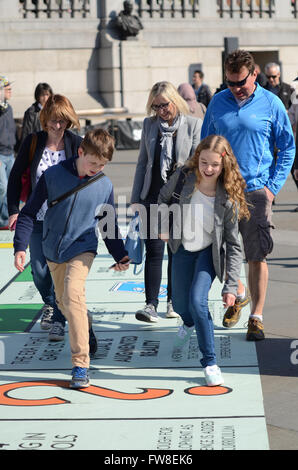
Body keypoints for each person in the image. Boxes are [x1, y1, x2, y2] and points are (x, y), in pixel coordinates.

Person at [13, 128, 130, 389]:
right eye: (93, 163)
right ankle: (84, 324)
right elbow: (29, 213)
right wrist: (20, 246)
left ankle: (80, 364)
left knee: (73, 293)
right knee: (64, 303)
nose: (97, 168)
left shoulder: (104, 184)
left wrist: (120, 253)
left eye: (103, 165)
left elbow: (107, 223)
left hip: (83, 247)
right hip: (52, 249)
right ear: (80, 152)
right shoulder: (52, 176)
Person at [201, 49, 295, 341]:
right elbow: (204, 146)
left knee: (257, 255)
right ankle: (238, 291)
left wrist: (272, 188)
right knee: (219, 252)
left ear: (254, 74)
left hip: (256, 191)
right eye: (230, 83)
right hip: (222, 190)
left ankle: (256, 316)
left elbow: (288, 147)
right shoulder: (218, 102)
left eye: (241, 82)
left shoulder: (272, 103)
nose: (236, 89)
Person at [158, 135, 250, 386]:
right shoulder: (184, 177)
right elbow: (162, 199)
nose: (208, 169)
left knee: (198, 302)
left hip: (207, 255)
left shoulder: (228, 197)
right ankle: (187, 322)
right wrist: (163, 225)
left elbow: (233, 245)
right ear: (197, 159)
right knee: (180, 304)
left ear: (224, 165)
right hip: (181, 249)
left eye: (215, 165)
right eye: (204, 162)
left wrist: (231, 285)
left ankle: (210, 362)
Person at [7, 94, 83, 341]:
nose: (57, 125)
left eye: (62, 120)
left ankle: (59, 315)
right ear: (45, 119)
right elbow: (15, 177)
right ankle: (51, 302)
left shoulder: (76, 143)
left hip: (66, 221)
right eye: (53, 120)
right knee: (39, 271)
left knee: (61, 272)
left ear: (69, 120)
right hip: (37, 217)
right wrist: (13, 210)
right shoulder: (33, 142)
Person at [130, 81, 202, 323]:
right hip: (152, 195)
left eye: (165, 104)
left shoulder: (193, 125)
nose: (161, 110)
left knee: (176, 251)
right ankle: (151, 304)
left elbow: (195, 165)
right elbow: (142, 164)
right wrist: (135, 199)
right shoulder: (150, 125)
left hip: (180, 198)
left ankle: (173, 300)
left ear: (175, 100)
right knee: (154, 250)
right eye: (156, 106)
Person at [0, 75, 16, 229]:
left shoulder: (8, 108)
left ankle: (5, 220)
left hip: (10, 153)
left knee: (11, 187)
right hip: (0, 155)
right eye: (8, 89)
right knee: (2, 186)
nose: (11, 92)